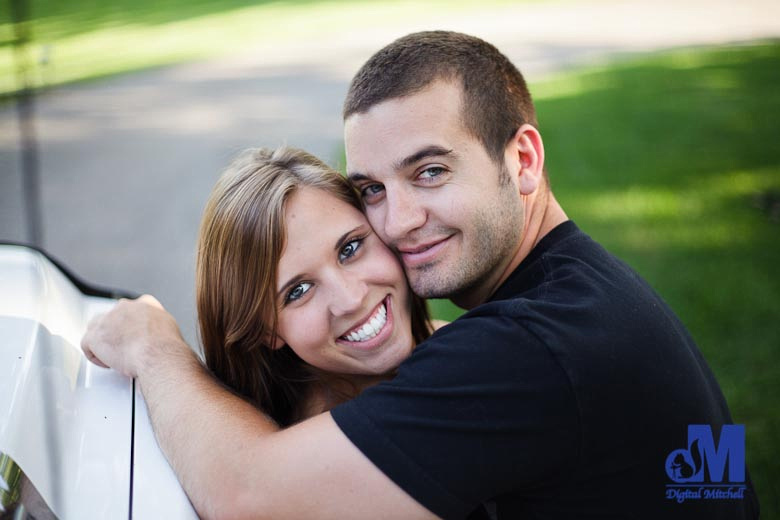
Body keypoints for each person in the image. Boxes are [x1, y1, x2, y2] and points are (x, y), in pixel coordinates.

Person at [82, 31, 759, 519]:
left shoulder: (532, 349)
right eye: (372, 188)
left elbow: (249, 496)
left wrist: (156, 348)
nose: (400, 221)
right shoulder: (580, 296)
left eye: (430, 171)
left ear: (522, 160)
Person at [195, 146, 431, 426]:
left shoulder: (459, 341)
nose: (351, 299)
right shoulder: (333, 447)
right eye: (299, 291)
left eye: (350, 248)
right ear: (265, 331)